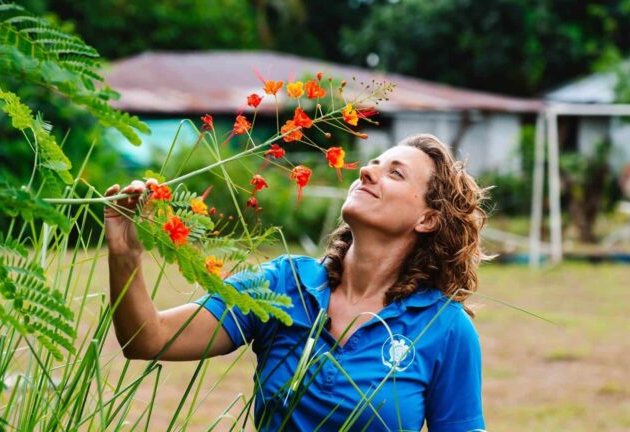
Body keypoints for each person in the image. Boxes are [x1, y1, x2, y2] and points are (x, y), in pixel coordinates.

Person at [105, 134, 490, 431]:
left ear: (428, 219)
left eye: (395, 173)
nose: (366, 171)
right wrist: (124, 253)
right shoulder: (283, 284)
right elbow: (148, 339)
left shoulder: (445, 328)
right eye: (374, 163)